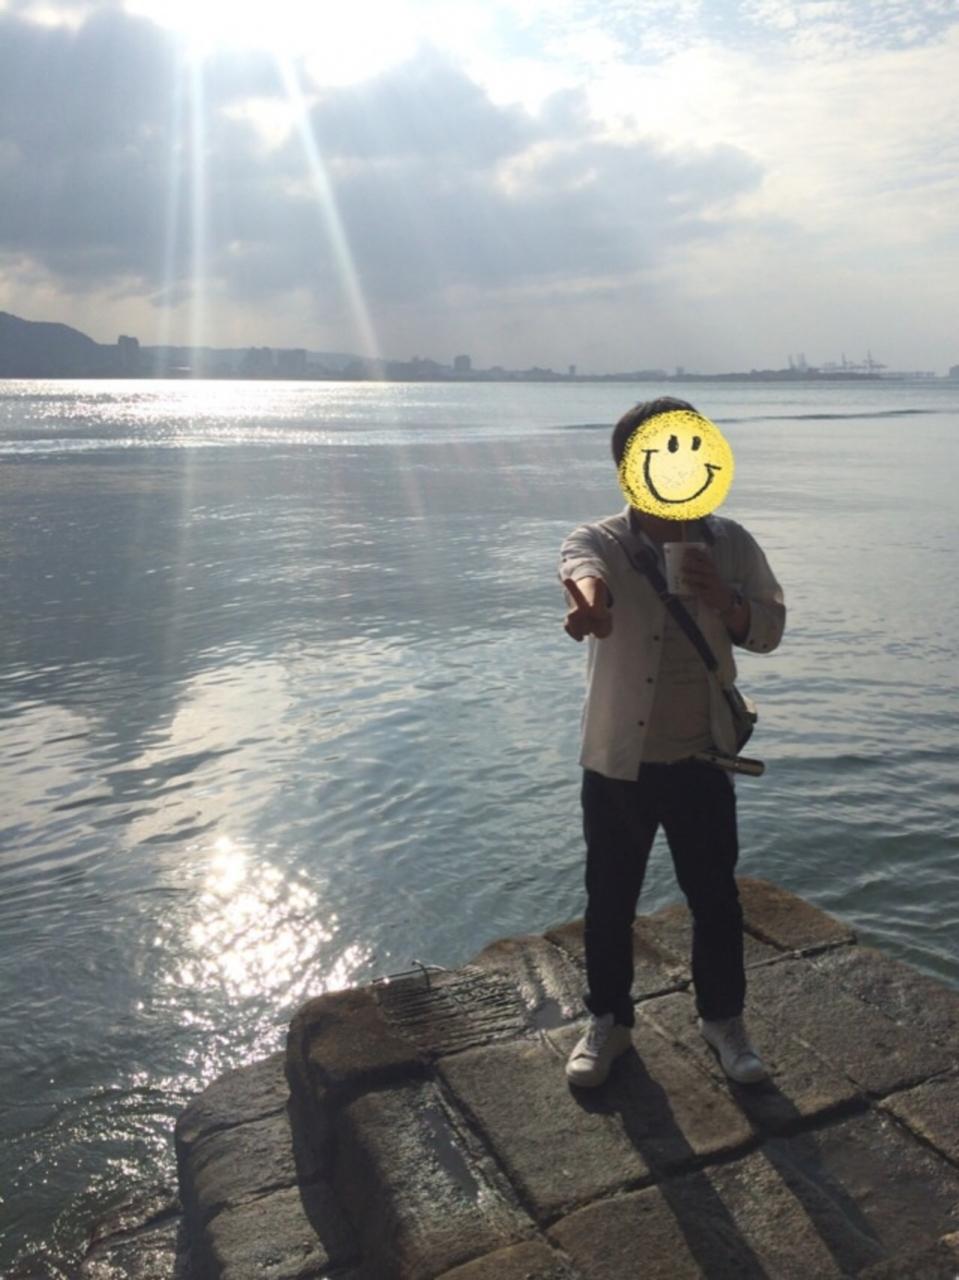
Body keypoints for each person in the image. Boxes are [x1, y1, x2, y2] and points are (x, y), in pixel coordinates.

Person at [559, 397, 785, 1088]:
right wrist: (591, 606)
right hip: (618, 762)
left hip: (701, 757)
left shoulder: (730, 543)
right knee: (609, 899)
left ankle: (723, 1019)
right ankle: (609, 1021)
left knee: (715, 896)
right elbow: (582, 572)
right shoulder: (600, 540)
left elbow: (770, 628)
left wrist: (726, 600)